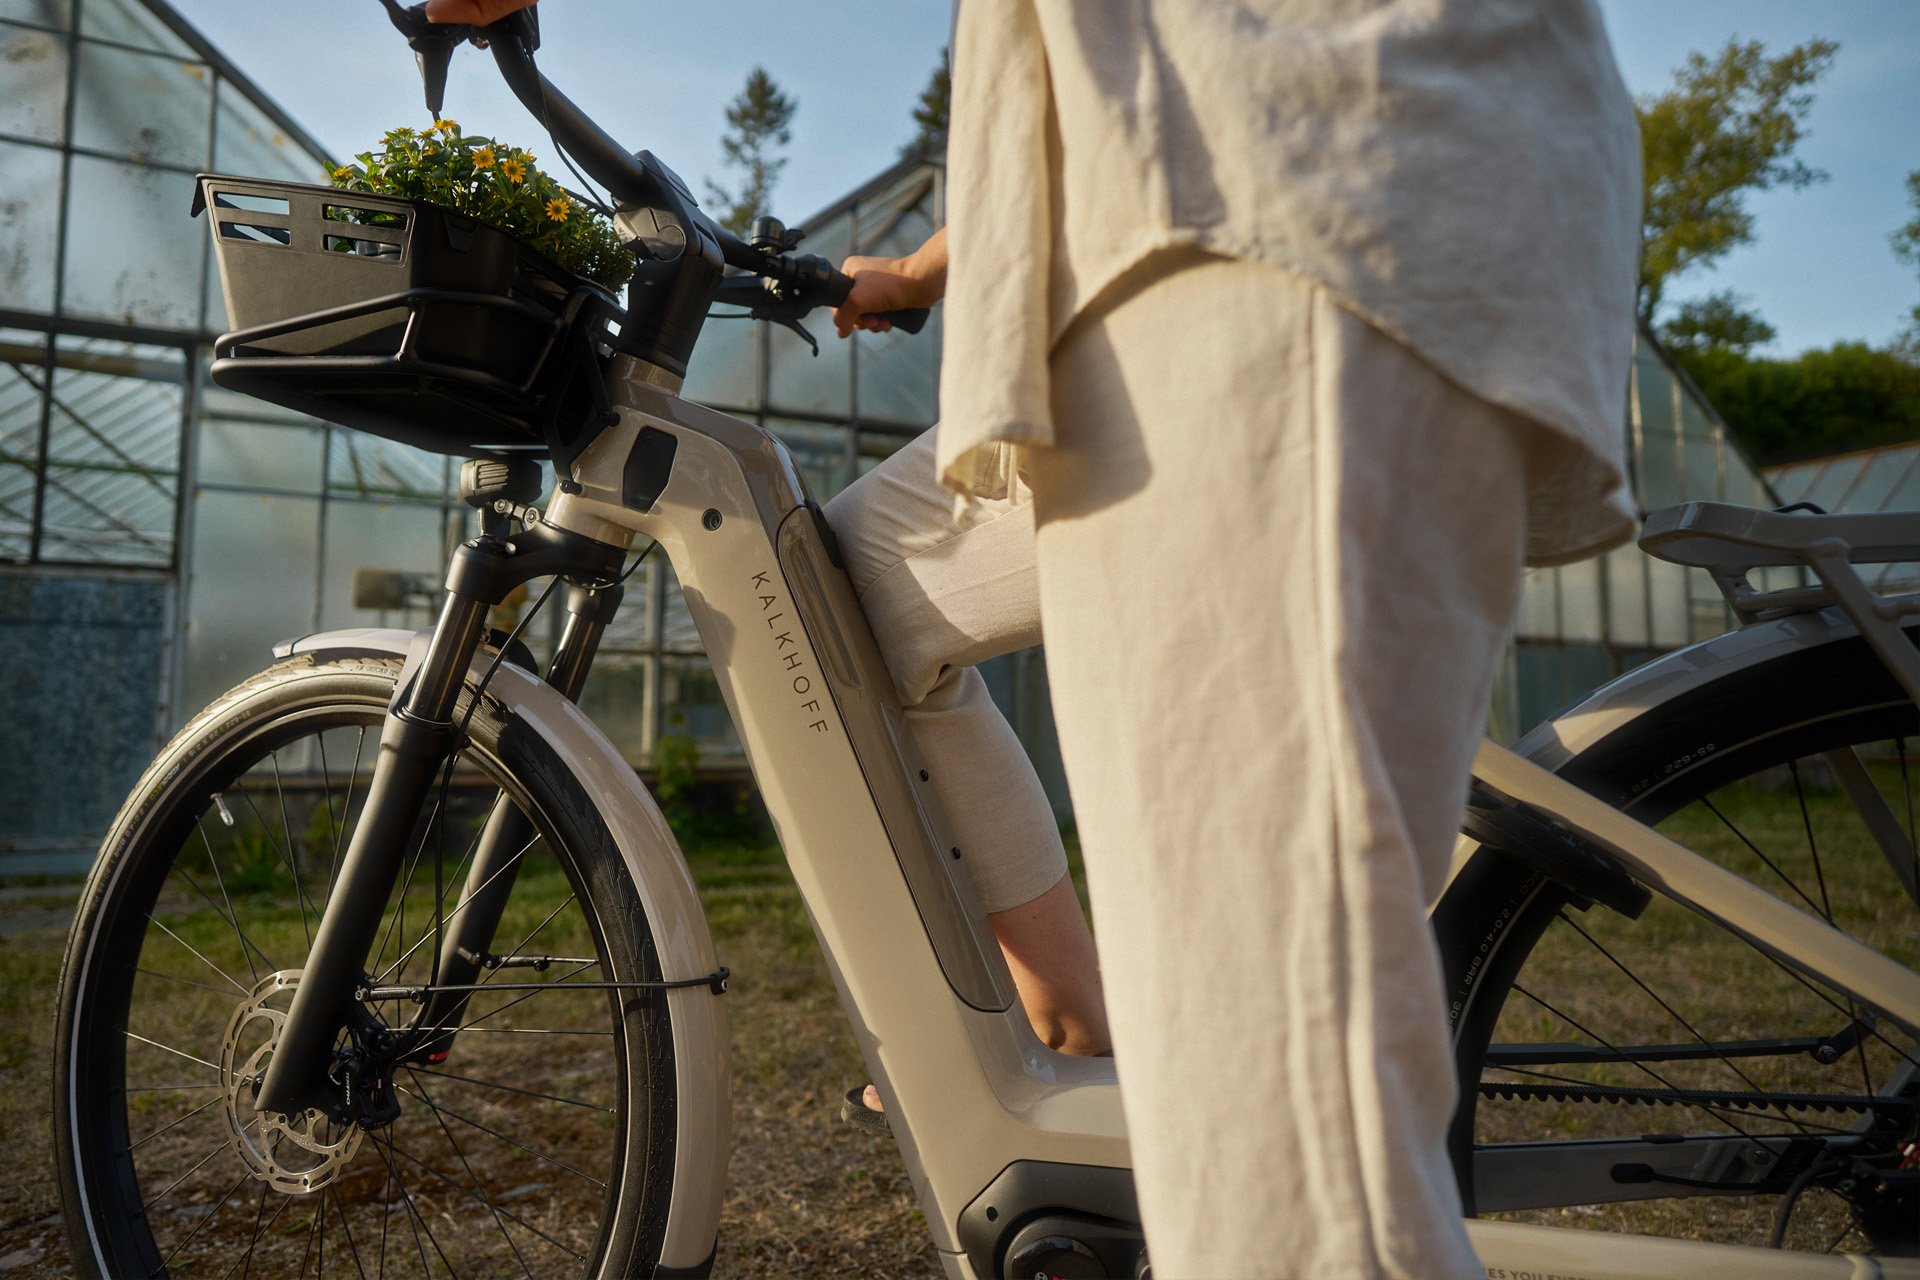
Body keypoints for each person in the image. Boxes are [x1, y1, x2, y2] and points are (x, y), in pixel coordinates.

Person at [431, 3, 1640, 1275]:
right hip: (1210, 207)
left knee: (1272, 1144)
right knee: (860, 587)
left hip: (1286, 230)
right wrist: (921, 269)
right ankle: (1070, 1006)